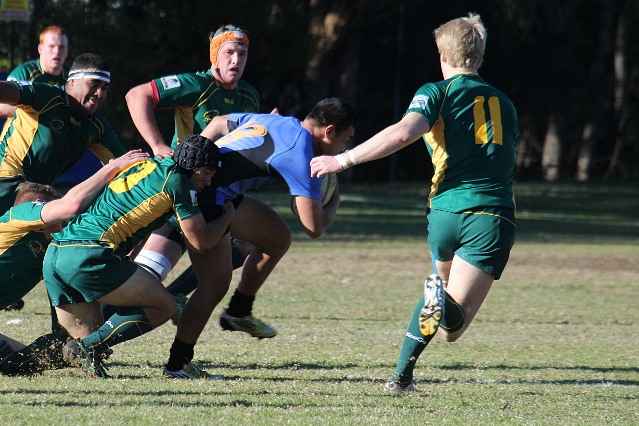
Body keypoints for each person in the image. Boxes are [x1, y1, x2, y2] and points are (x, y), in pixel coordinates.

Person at [310, 14, 518, 393]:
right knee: (454, 326)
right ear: (480, 55)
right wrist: (341, 161)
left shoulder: (437, 91)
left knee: (441, 303)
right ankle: (433, 305)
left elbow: (406, 130)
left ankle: (401, 376)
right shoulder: (505, 103)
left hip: (442, 214)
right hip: (489, 215)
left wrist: (342, 159)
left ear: (441, 54)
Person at [4, 137, 233, 378]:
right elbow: (201, 243)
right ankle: (88, 348)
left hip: (58, 253)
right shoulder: (177, 182)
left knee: (65, 344)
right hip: (90, 254)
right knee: (165, 306)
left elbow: (135, 214)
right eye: (205, 173)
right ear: (188, 166)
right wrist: (228, 216)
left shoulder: (144, 165)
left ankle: (8, 366)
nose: (208, 181)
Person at [162, 98, 358, 379]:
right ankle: (177, 363)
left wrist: (187, 167)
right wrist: (335, 198)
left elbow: (218, 124)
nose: (344, 149)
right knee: (214, 285)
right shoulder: (300, 154)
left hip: (218, 191)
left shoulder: (278, 120)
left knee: (277, 237)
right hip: (209, 198)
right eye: (346, 139)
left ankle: (239, 311)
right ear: (329, 132)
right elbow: (313, 227)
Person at [125, 24, 262, 329]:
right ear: (215, 56)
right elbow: (137, 95)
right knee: (144, 268)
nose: (235, 60)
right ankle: (98, 329)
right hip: (181, 189)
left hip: (216, 191)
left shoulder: (250, 96)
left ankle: (175, 295)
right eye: (228, 52)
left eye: (242, 53)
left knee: (252, 244)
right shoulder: (197, 85)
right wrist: (158, 146)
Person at [0, 150, 149, 376]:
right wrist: (112, 167)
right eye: (59, 217)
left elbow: (66, 292)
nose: (66, 223)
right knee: (20, 360)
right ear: (42, 207)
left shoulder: (53, 248)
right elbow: (71, 206)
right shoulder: (20, 215)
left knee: (33, 357)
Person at [0, 52, 126, 214]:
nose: (100, 93)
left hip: (37, 194)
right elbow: (3, 89)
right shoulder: (46, 97)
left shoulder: (97, 127)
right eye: (94, 84)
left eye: (104, 88)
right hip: (6, 180)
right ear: (72, 81)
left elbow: (125, 168)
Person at [0, 26, 69, 119]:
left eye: (61, 47)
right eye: (51, 46)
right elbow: (2, 107)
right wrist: (41, 107)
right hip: (22, 133)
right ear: (40, 49)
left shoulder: (70, 81)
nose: (56, 52)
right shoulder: (24, 72)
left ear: (67, 52)